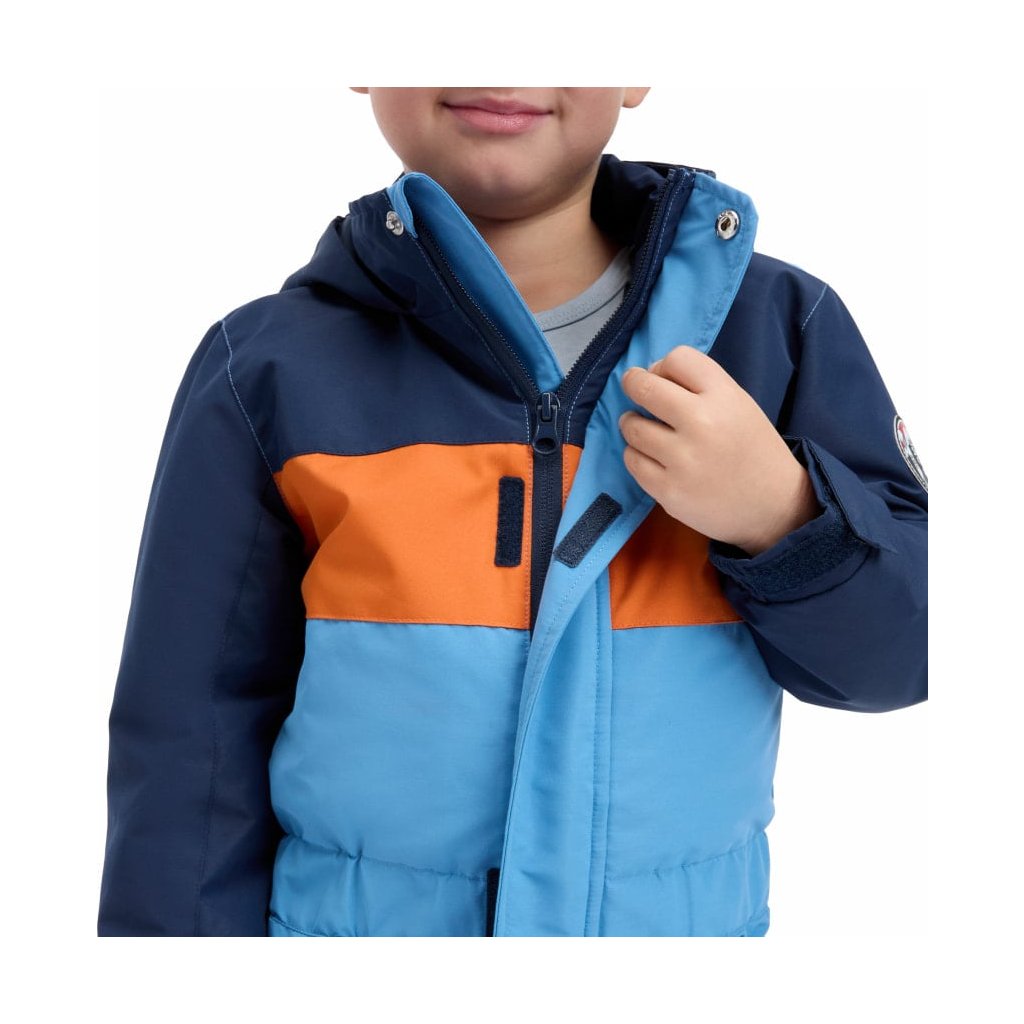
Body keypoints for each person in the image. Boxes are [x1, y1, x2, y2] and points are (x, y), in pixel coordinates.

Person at [97, 87, 928, 937]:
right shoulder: (267, 369)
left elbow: (908, 657)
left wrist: (784, 515)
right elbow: (187, 755)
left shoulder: (776, 333)